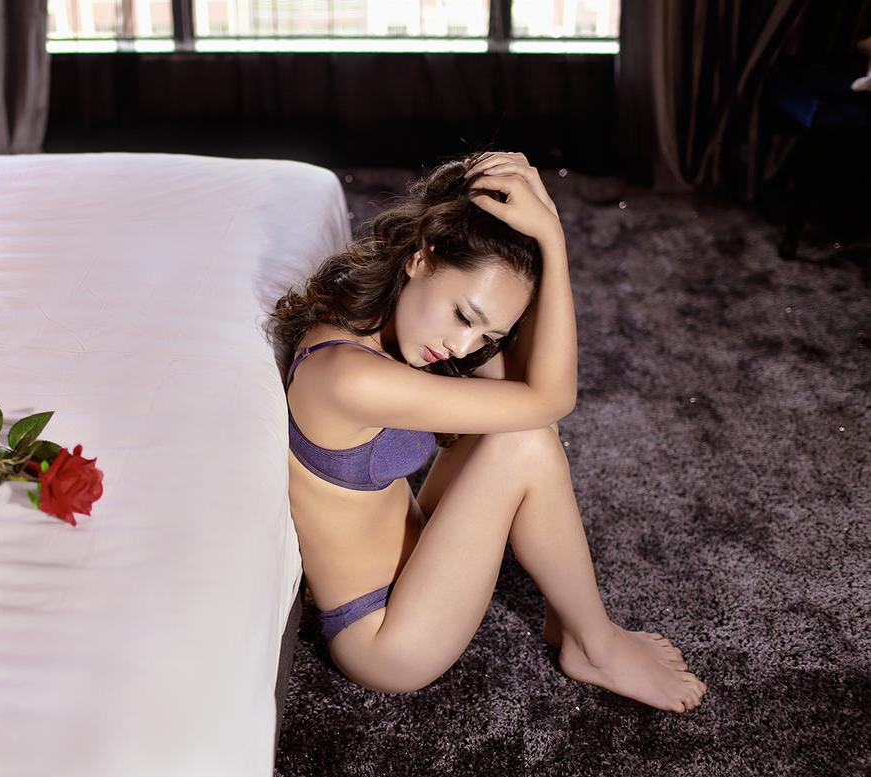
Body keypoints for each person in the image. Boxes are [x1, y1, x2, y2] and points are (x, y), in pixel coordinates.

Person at [265, 150, 708, 714]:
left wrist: (539, 253)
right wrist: (554, 242)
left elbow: (526, 387)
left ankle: (573, 622)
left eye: (486, 335)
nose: (462, 347)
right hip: (385, 639)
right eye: (464, 316)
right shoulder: (345, 375)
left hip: (419, 557)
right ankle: (595, 644)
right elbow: (550, 398)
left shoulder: (382, 324)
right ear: (421, 257)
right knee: (526, 440)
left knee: (520, 426)